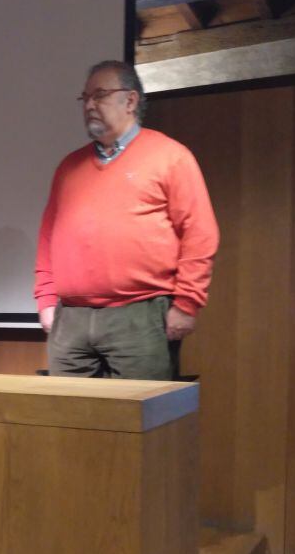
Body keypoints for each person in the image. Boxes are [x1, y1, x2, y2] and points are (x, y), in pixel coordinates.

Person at [34, 60, 219, 380]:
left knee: (138, 422)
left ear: (130, 101)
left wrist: (187, 303)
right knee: (66, 421)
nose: (90, 104)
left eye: (100, 95)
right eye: (85, 98)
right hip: (71, 319)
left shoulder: (170, 156)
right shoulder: (69, 167)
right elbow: (49, 237)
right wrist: (46, 298)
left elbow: (200, 233)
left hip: (140, 315)